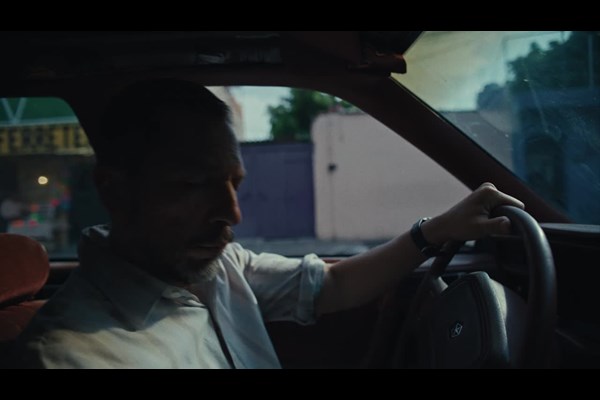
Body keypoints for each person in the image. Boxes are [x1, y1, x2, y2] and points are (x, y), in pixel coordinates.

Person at [8, 79, 524, 368]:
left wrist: (435, 232)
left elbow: (333, 285)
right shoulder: (69, 359)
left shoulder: (218, 267)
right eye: (193, 184)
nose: (232, 213)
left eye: (234, 182)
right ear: (115, 191)